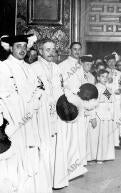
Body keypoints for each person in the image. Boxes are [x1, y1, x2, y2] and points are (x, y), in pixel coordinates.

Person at [0, 34, 51, 193]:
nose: (22, 50)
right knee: (13, 156)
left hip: (31, 118)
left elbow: (39, 88)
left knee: (30, 153)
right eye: (18, 46)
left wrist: (34, 101)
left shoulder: (29, 67)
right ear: (10, 48)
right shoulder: (3, 66)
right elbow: (3, 94)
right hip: (12, 119)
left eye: (24, 46)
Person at [31, 38, 68, 188]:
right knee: (44, 146)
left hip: (56, 112)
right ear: (40, 51)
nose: (51, 53)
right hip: (41, 114)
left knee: (56, 146)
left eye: (53, 50)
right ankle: (43, 184)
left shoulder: (57, 68)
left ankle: (56, 180)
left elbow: (60, 88)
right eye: (48, 50)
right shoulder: (33, 68)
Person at [58, 42, 88, 181]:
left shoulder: (80, 66)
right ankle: (69, 167)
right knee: (70, 137)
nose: (76, 52)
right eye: (74, 49)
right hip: (69, 104)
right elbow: (61, 84)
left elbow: (82, 84)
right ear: (69, 50)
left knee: (79, 134)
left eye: (78, 50)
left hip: (79, 102)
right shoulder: (63, 65)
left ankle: (79, 165)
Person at [89, 70, 116, 163]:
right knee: (98, 136)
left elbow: (110, 101)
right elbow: (91, 104)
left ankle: (105, 155)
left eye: (106, 76)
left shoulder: (107, 88)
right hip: (99, 115)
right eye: (103, 76)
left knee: (106, 136)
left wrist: (112, 114)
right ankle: (98, 157)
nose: (105, 78)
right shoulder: (95, 88)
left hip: (107, 116)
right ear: (98, 78)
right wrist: (92, 117)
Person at [104, 53, 121, 148]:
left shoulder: (119, 73)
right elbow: (101, 87)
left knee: (117, 121)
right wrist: (110, 94)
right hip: (107, 102)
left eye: (113, 61)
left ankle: (116, 142)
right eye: (109, 62)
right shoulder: (103, 73)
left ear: (115, 62)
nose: (111, 63)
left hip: (118, 101)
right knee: (108, 121)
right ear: (106, 62)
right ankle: (108, 142)